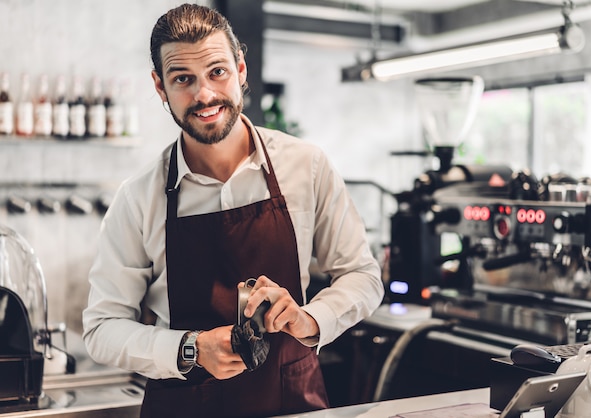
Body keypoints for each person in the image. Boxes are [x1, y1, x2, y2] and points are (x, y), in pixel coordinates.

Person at [82, 4, 384, 417]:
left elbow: (362, 277)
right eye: (183, 79)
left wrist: (309, 319)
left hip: (290, 403)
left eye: (217, 72)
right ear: (160, 87)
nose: (204, 94)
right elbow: (102, 329)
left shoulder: (306, 166)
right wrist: (190, 348)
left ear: (241, 70)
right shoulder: (138, 198)